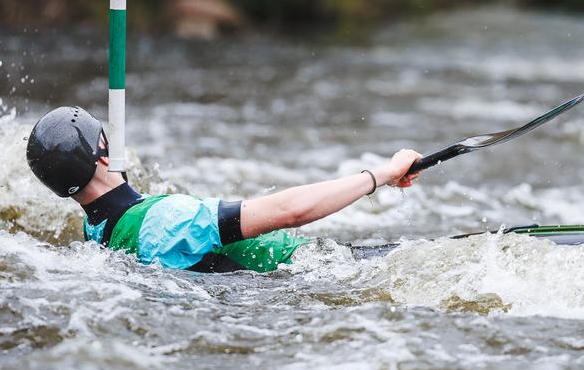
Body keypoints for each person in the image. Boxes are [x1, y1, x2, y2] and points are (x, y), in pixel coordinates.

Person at [26, 106, 422, 272]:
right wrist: (382, 175)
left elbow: (121, 197)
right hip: (309, 269)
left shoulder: (96, 229)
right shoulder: (169, 220)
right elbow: (291, 211)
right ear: (104, 156)